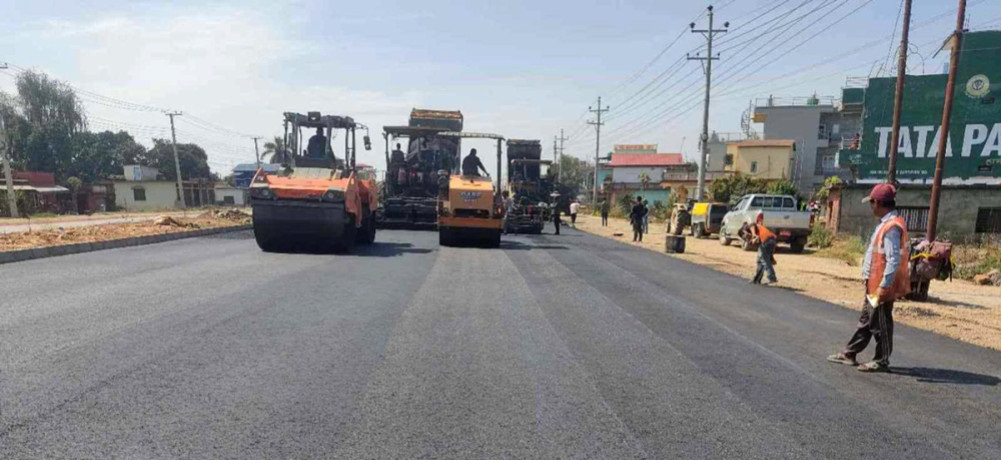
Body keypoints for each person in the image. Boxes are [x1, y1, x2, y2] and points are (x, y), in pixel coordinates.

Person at [827, 183, 910, 373]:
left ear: (878, 203)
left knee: (880, 323)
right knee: (866, 320)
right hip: (873, 284)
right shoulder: (885, 224)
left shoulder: (891, 228)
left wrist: (883, 287)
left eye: (871, 203)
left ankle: (881, 359)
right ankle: (850, 353)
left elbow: (892, 260)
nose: (871, 207)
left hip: (881, 286)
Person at [749, 212, 778, 285]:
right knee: (760, 261)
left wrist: (753, 235)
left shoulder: (750, 227)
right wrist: (771, 256)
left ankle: (772, 278)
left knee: (764, 260)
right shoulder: (760, 229)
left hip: (767, 241)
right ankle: (757, 279)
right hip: (771, 240)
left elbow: (752, 225)